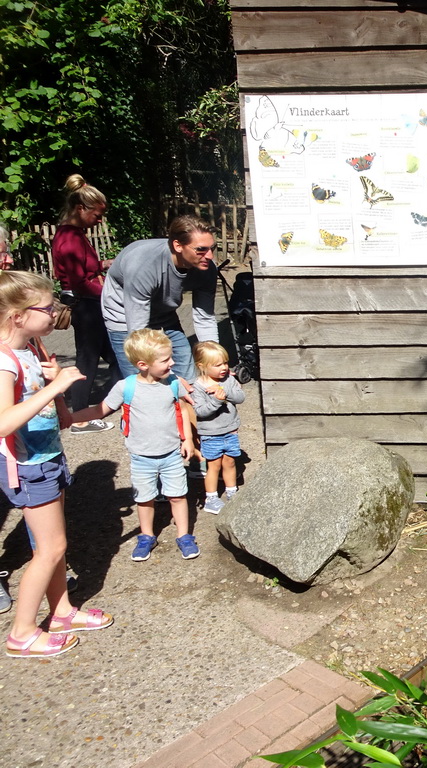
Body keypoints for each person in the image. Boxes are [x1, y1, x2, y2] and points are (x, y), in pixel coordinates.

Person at [0, 271, 113, 658]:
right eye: (47, 308)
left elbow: (59, 416)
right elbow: (3, 423)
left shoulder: (33, 348)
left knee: (55, 545)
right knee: (50, 548)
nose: (55, 314)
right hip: (28, 465)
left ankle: (61, 612)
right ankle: (22, 633)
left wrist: (62, 399)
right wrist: (55, 386)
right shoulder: (4, 361)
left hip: (48, 456)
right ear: (18, 315)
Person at [71, 328, 200, 561]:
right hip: (141, 456)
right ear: (143, 364)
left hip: (171, 453)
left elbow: (183, 407)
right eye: (165, 360)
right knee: (144, 498)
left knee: (178, 495)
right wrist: (70, 418)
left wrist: (189, 440)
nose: (172, 363)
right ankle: (147, 535)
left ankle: (184, 535)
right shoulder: (126, 387)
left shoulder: (172, 383)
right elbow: (100, 410)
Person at [101, 215, 219, 383]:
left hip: (164, 312)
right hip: (125, 315)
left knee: (186, 371)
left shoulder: (207, 269)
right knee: (142, 379)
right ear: (178, 245)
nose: (210, 256)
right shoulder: (144, 264)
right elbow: (138, 333)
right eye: (201, 249)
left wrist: (214, 360)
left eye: (212, 248)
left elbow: (205, 317)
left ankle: (182, 407)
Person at [51, 174, 117, 434]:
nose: (99, 221)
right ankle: (79, 417)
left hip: (90, 304)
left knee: (115, 356)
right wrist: (110, 296)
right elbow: (79, 282)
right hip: (88, 306)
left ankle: (113, 403)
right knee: (88, 361)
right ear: (81, 208)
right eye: (97, 215)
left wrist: (103, 265)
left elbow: (83, 270)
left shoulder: (74, 234)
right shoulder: (70, 239)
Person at [191, 341, 244, 514]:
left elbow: (240, 397)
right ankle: (211, 498)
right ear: (202, 366)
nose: (224, 367)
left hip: (230, 430)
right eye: (218, 365)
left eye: (225, 363)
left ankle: (232, 492)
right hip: (211, 433)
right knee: (213, 465)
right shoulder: (197, 387)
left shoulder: (228, 379)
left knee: (229, 461)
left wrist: (225, 391)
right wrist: (216, 400)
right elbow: (200, 411)